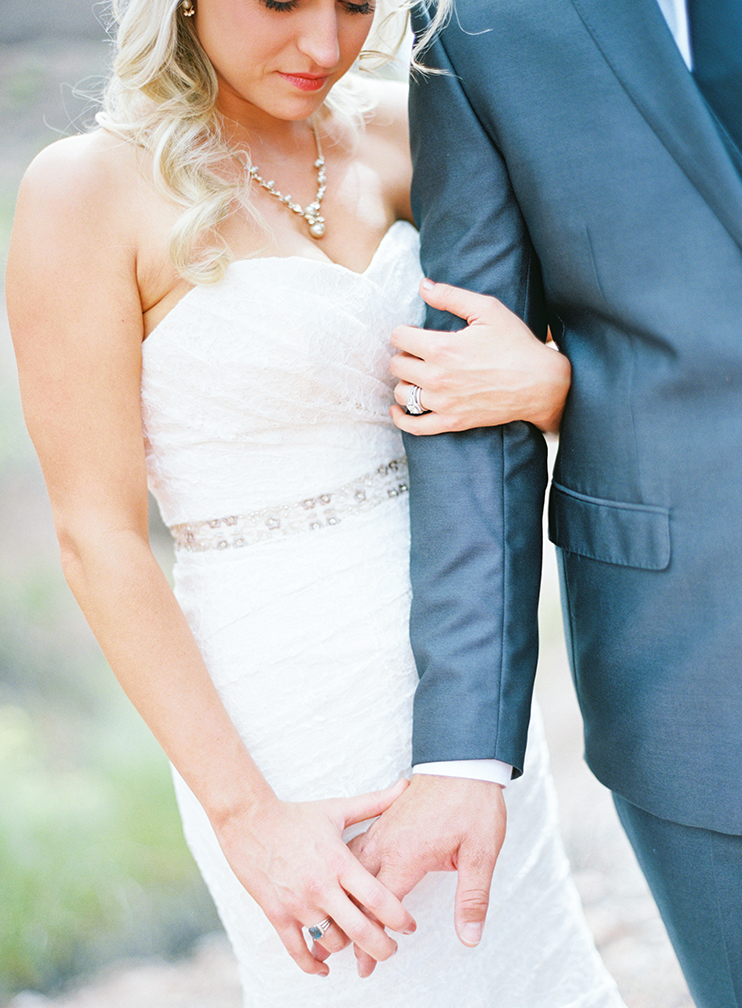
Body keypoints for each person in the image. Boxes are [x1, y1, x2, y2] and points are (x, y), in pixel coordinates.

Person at [6, 0, 624, 1005]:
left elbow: (561, 352)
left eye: (353, 4)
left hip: (463, 680)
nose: (325, 47)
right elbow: (98, 540)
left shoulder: (404, 132)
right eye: (284, 1)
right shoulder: (85, 192)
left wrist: (551, 389)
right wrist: (246, 816)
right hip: (282, 721)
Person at [352, 2, 742, 1007]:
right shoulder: (484, 28)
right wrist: (462, 747)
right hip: (698, 670)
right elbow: (464, 379)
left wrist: (570, 392)